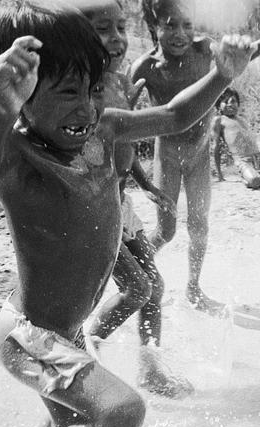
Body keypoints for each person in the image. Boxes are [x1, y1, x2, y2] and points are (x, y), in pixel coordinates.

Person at [0, 0, 253, 427]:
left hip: (62, 334)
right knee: (120, 414)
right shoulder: (18, 153)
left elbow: (176, 116)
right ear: (23, 98)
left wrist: (220, 75)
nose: (87, 107)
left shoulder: (105, 130)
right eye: (68, 92)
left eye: (93, 88)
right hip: (29, 336)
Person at [131, 1, 260, 312]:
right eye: (171, 25)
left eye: (187, 25)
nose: (181, 34)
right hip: (167, 156)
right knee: (167, 230)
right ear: (155, 26)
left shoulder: (205, 49)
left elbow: (239, 58)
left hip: (199, 156)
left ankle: (193, 289)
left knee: (199, 225)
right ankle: (134, 265)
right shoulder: (146, 67)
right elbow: (119, 110)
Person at [78, 0, 193, 398]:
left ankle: (150, 369)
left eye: (121, 28)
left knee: (154, 287)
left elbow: (121, 142)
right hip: (93, 207)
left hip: (120, 202)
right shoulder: (79, 88)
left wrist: (144, 183)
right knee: (139, 288)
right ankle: (83, 358)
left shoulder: (118, 79)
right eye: (103, 29)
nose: (117, 39)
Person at [212, 87, 260, 189]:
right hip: (243, 161)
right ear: (218, 105)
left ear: (238, 104)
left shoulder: (242, 120)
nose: (230, 104)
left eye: (233, 101)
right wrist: (219, 174)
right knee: (254, 181)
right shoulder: (218, 120)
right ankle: (248, 176)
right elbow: (216, 147)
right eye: (225, 101)